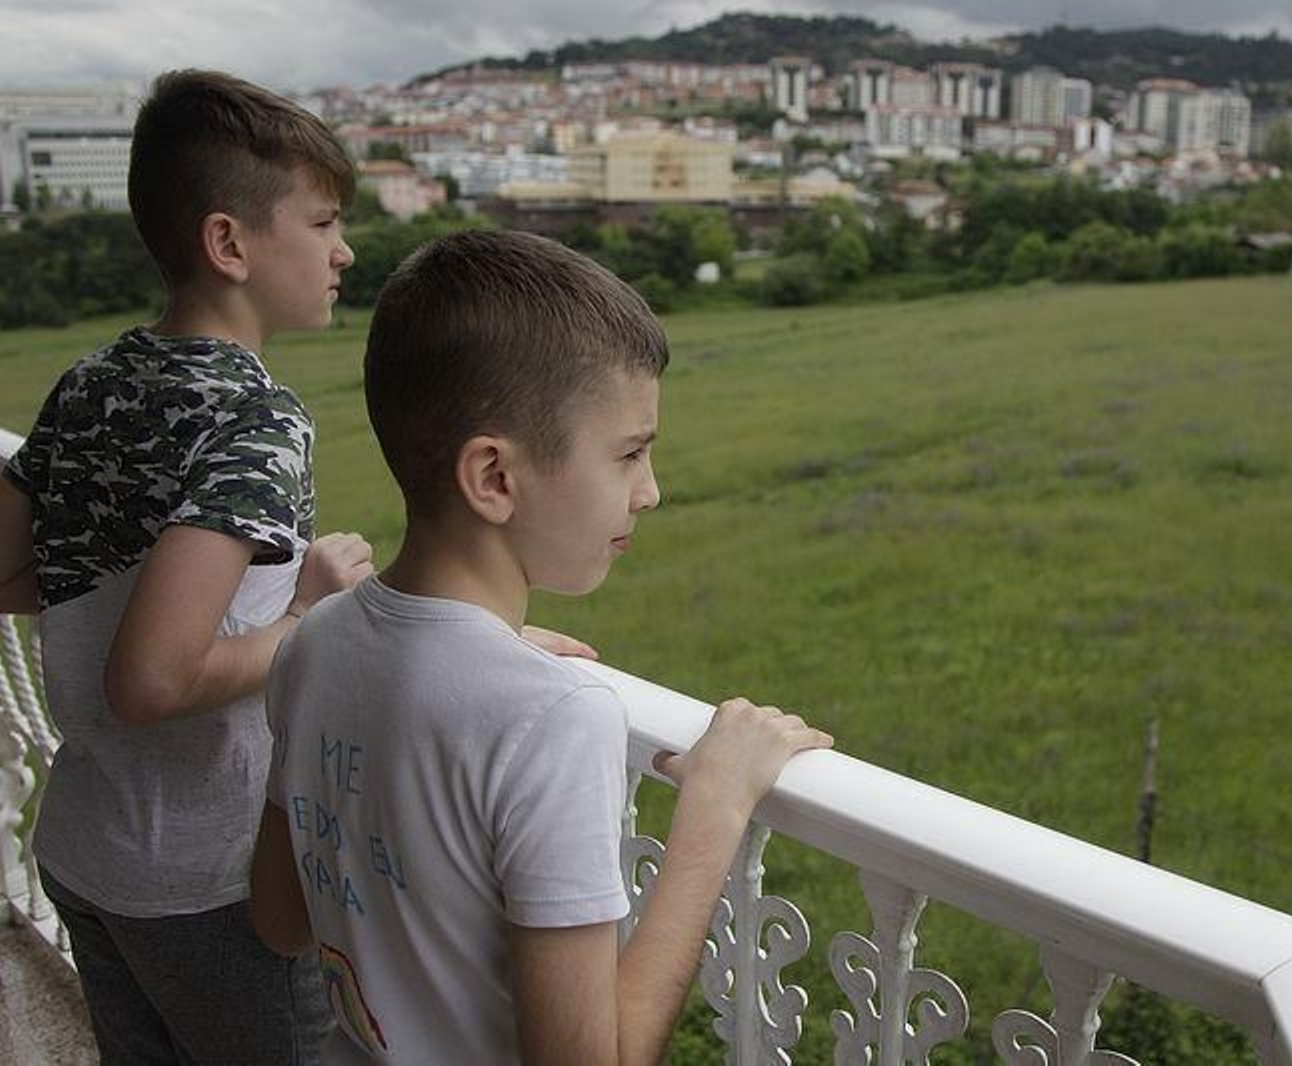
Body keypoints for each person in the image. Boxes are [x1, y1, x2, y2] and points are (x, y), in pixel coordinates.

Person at [248, 229, 833, 1064]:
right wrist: (715, 807)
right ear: (493, 478)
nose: (651, 491)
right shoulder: (553, 715)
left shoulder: (313, 645)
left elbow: (279, 918)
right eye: (630, 453)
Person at [0, 68, 376, 1063]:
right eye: (323, 221)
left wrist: (113, 585)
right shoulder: (258, 419)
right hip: (209, 881)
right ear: (229, 243)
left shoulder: (91, 379)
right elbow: (152, 680)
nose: (345, 250)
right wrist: (304, 617)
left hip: (85, 850)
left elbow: (6, 571)